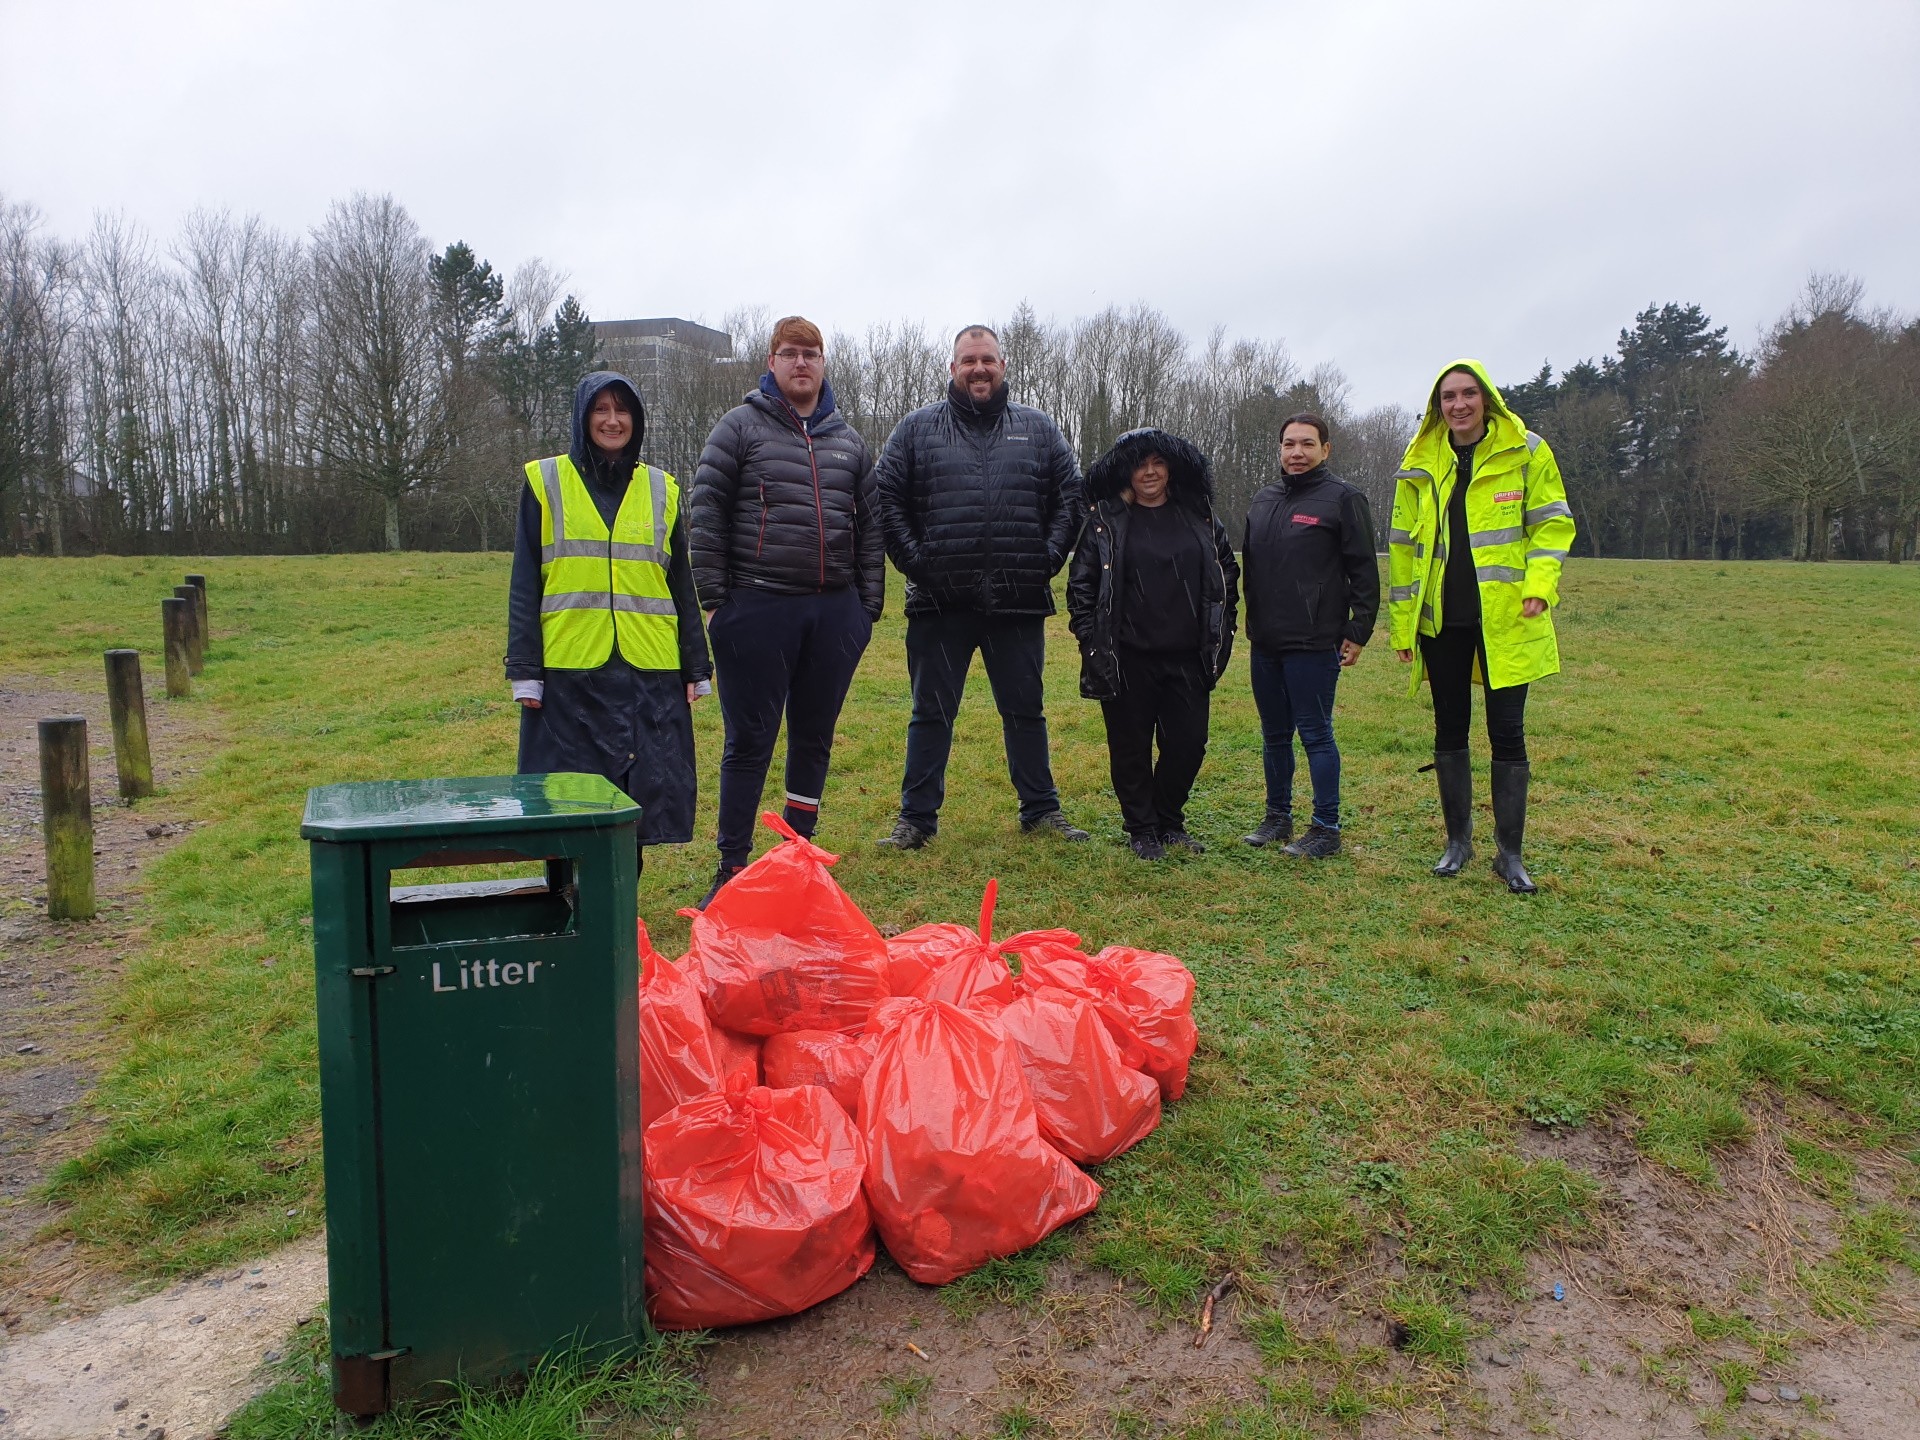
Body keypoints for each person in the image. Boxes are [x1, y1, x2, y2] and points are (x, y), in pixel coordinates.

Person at [689, 317, 884, 907]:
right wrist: (718, 604)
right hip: (756, 607)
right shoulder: (738, 429)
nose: (802, 364)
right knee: (749, 739)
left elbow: (871, 529)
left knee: (814, 738)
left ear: (824, 364)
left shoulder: (849, 441)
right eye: (791, 354)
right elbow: (706, 515)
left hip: (833, 615)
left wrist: (866, 609)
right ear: (772, 362)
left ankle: (800, 854)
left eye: (812, 355)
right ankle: (732, 866)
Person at [872, 325, 1088, 849]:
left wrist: (1047, 559)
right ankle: (916, 819)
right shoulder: (917, 429)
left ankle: (1040, 809)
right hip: (938, 602)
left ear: (1003, 365)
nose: (979, 368)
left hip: (1017, 601)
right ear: (953, 368)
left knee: (1025, 710)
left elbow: (1071, 497)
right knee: (930, 713)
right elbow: (884, 498)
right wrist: (919, 564)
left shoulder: (1038, 429)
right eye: (968, 360)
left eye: (988, 359)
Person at [504, 372, 712, 865]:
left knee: (637, 799)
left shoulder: (663, 488)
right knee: (566, 798)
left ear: (637, 421)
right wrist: (525, 671)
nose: (613, 421)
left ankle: (619, 909)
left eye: (623, 411)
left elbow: (681, 583)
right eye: (601, 410)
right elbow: (524, 582)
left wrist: (695, 665)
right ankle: (568, 906)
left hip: (648, 670)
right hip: (571, 669)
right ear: (583, 418)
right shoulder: (545, 481)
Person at [1387, 360, 1576, 894]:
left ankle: (1509, 853)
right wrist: (1404, 629)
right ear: (1437, 406)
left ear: (1487, 399)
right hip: (1442, 623)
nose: (1459, 405)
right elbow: (1403, 551)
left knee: (1507, 732)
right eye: (1448, 396)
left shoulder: (1528, 451)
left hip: (1508, 621)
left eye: (1469, 394)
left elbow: (1553, 524)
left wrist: (1540, 585)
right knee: (1449, 728)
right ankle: (1457, 843)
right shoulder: (1420, 460)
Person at [1066, 429, 1238, 860]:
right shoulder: (1105, 522)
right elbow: (1082, 587)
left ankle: (1169, 821)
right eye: (1140, 464)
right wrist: (1091, 639)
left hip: (1188, 658)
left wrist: (1223, 634)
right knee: (1130, 748)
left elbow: (1226, 579)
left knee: (1188, 744)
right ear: (1126, 470)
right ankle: (1142, 829)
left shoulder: (1199, 517)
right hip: (1126, 658)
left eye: (1157, 463)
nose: (1149, 472)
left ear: (1171, 468)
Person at [1238, 413, 1380, 859]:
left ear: (1325, 449)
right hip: (1266, 641)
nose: (1296, 453)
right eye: (1288, 444)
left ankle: (1325, 828)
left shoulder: (1343, 499)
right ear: (1279, 449)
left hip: (1315, 641)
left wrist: (1358, 630)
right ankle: (1277, 817)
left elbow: (1364, 571)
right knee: (1273, 734)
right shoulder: (1263, 500)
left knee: (1316, 733)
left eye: (1306, 444)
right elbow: (1253, 570)